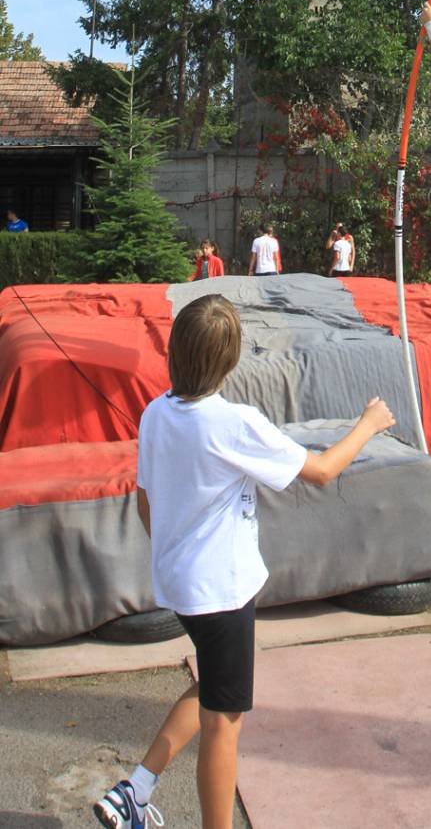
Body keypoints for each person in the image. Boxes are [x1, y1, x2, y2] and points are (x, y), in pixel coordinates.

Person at [93, 294, 395, 829]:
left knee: (214, 686)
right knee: (224, 722)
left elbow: (146, 501)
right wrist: (369, 424)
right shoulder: (233, 422)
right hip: (223, 594)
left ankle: (135, 791)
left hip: (180, 586)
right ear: (230, 361)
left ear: (174, 352)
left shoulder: (156, 412)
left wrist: (174, 550)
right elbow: (323, 470)